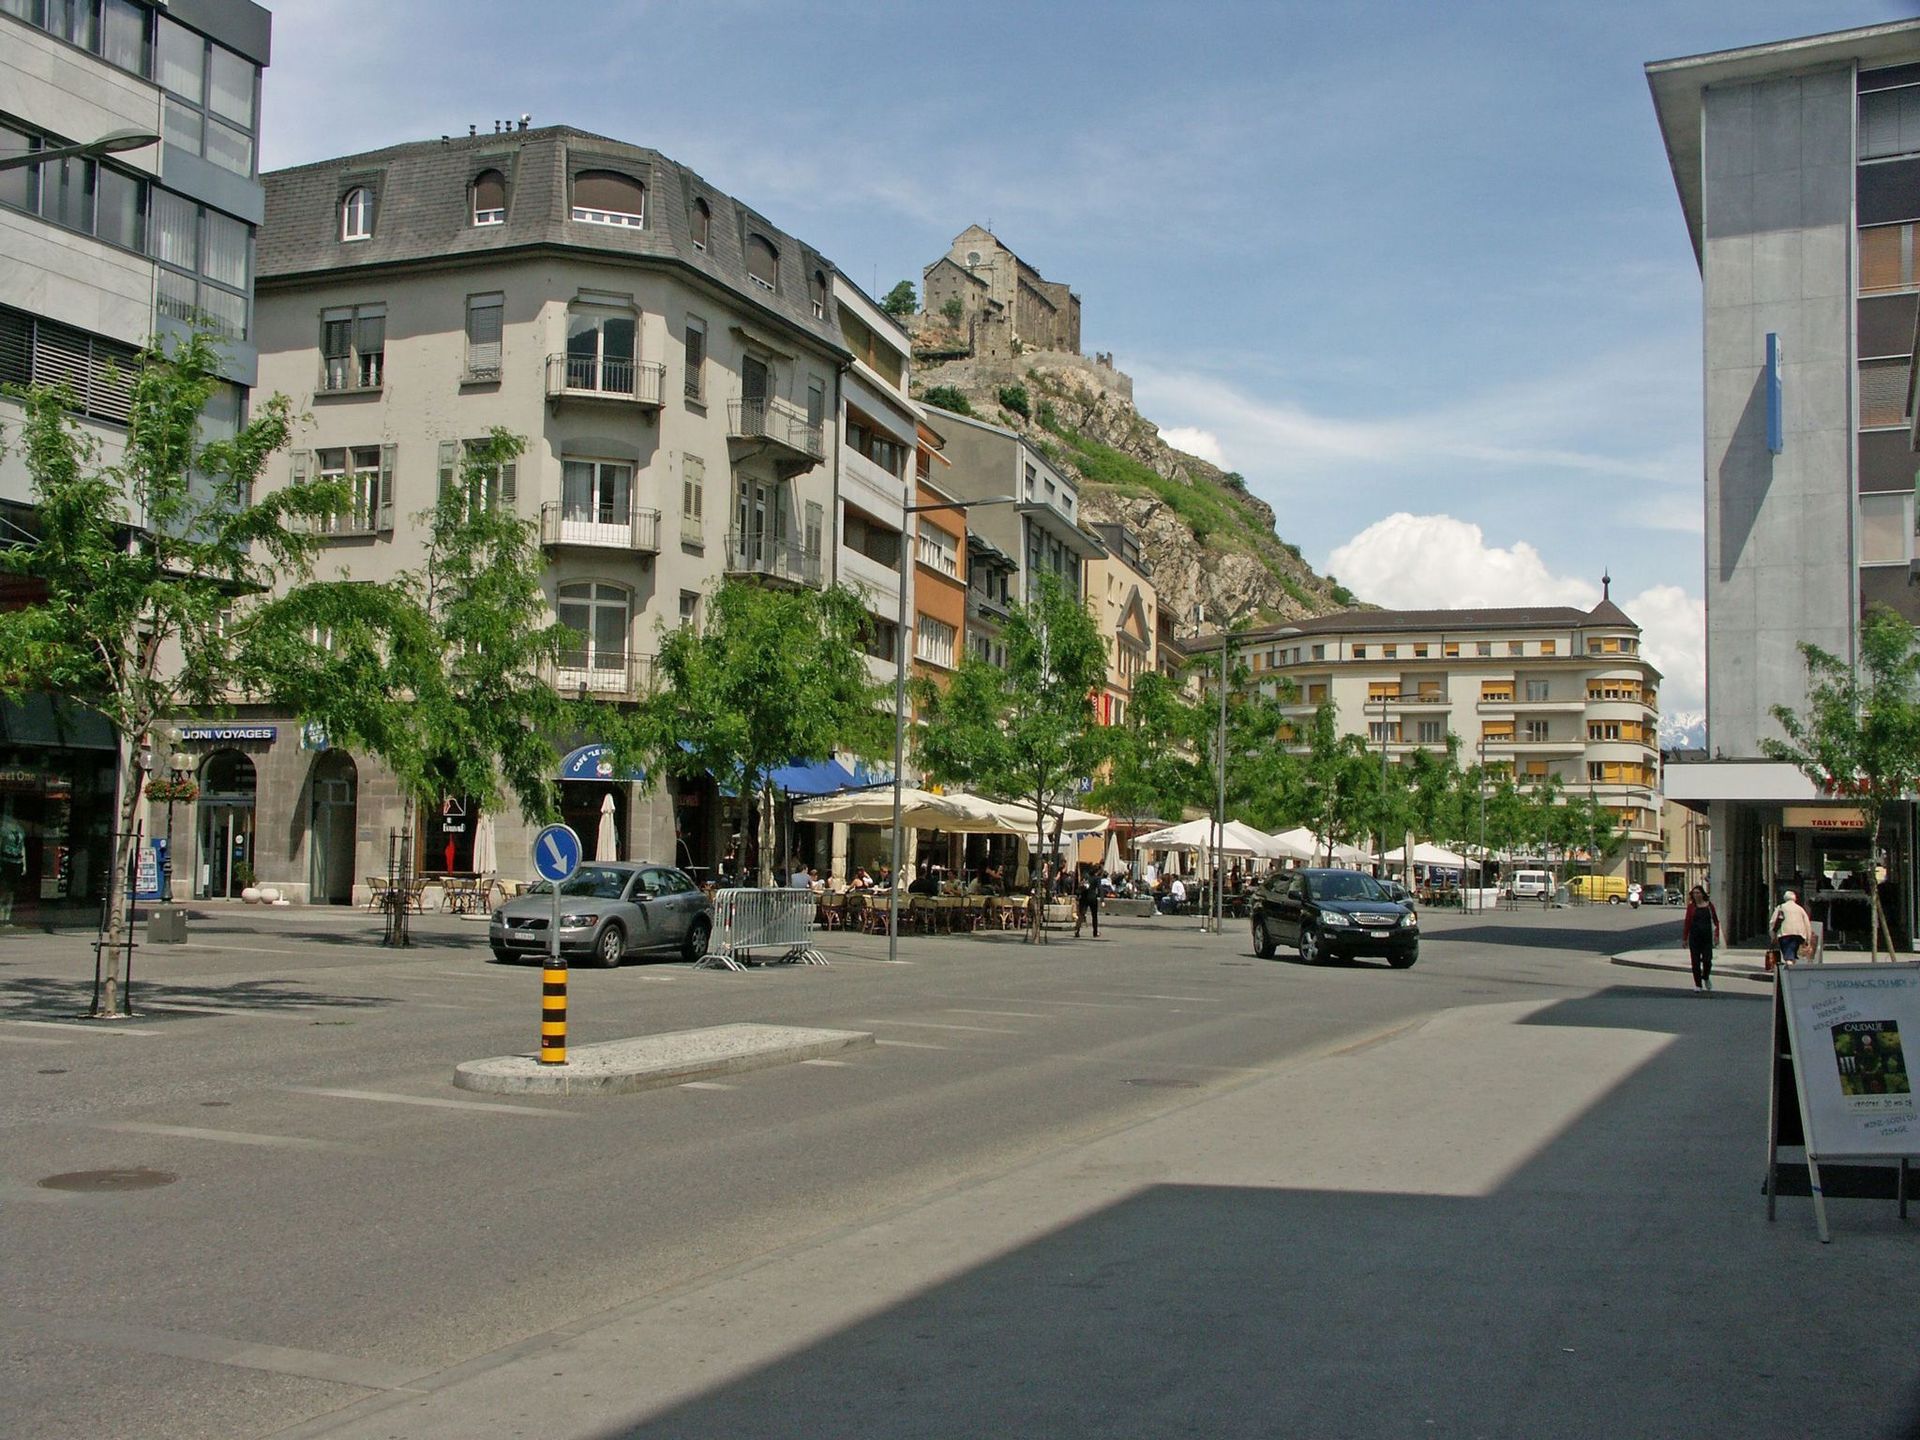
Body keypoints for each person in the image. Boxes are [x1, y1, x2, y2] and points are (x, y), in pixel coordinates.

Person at [1682, 886, 1721, 994]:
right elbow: (1687, 923)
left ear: (1702, 894)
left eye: (1698, 893)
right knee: (1695, 962)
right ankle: (1698, 984)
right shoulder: (1691, 907)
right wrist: (1685, 938)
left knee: (1707, 960)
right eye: (1694, 893)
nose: (1696, 895)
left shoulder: (1709, 906)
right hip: (1694, 937)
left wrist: (1716, 936)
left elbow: (1716, 921)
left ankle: (1706, 976)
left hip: (1707, 937)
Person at [1770, 889, 1814, 965]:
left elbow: (1773, 922)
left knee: (1788, 954)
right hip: (1799, 934)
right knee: (1792, 952)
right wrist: (1808, 939)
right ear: (1795, 899)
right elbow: (1807, 924)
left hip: (1784, 934)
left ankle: (1789, 971)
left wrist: (1772, 935)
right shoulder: (1800, 909)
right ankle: (1792, 966)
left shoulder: (1781, 907)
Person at [1074, 865, 1101, 939]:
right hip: (1092, 898)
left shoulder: (1085, 877)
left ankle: (1077, 930)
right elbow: (1099, 888)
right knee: (1094, 916)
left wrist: (1078, 894)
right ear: (1097, 871)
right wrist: (1102, 898)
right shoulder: (1097, 878)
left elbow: (1080, 887)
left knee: (1081, 915)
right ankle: (1095, 932)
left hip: (1084, 898)